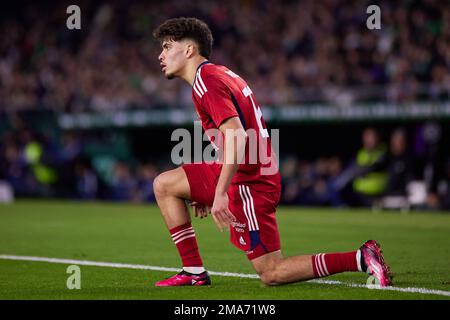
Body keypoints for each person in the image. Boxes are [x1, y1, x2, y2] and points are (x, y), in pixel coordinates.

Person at [151, 17, 392, 287]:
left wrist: (219, 193)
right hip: (245, 169)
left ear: (188, 50)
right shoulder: (216, 74)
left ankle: (360, 257)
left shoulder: (207, 81)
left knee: (272, 273)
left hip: (250, 183)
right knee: (165, 185)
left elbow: (239, 137)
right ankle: (193, 271)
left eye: (167, 46)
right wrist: (207, 187)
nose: (160, 55)